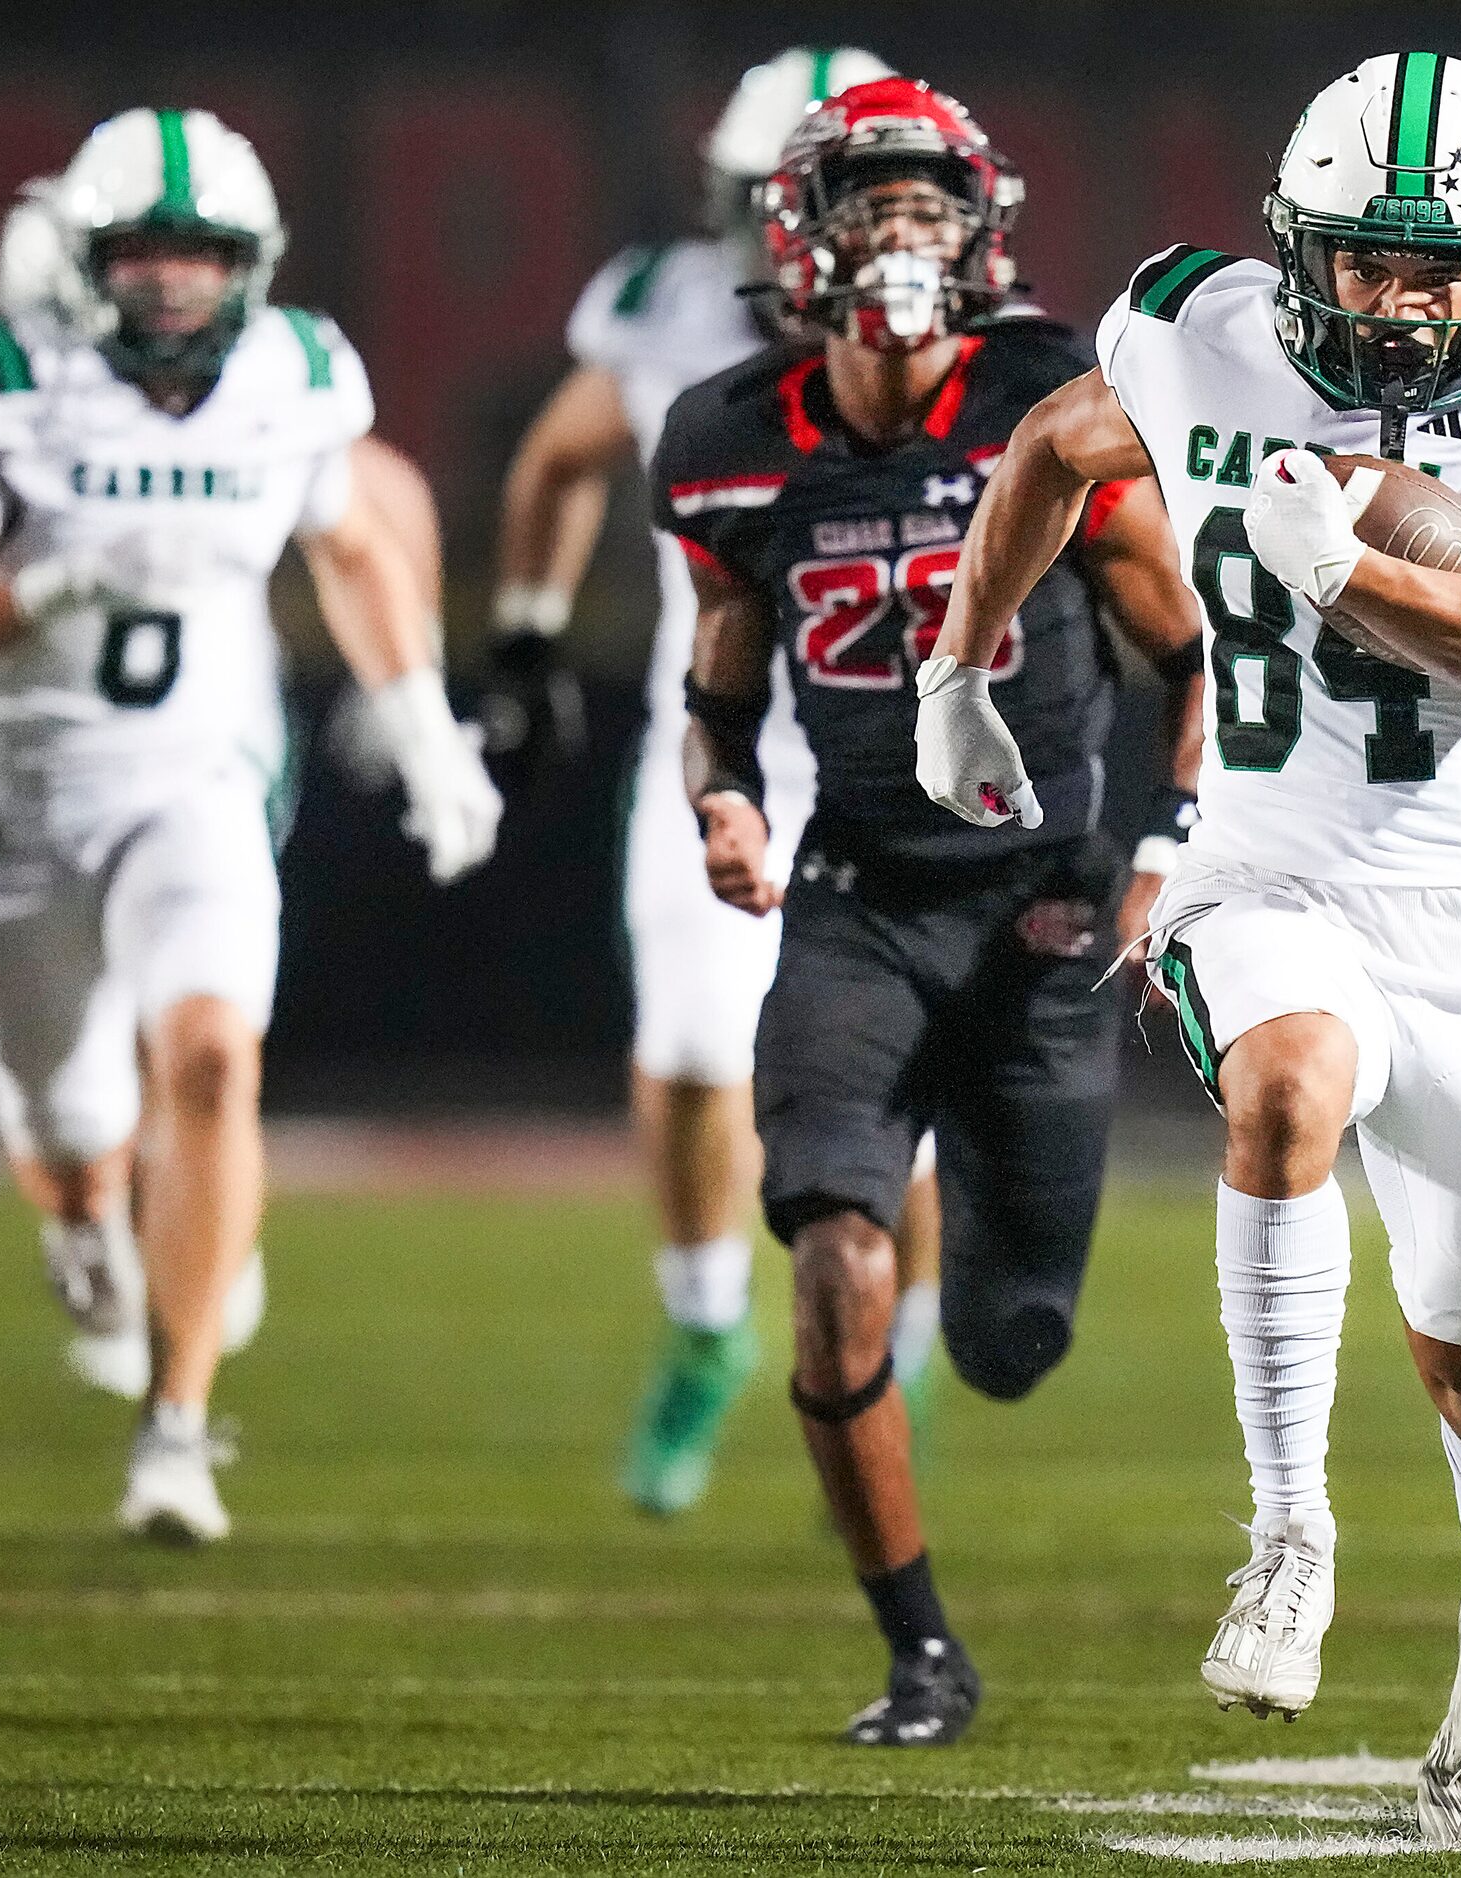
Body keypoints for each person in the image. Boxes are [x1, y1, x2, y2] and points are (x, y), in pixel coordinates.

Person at [925, 54, 1461, 1846]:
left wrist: (1358, 574)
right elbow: (1048, 443)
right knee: (1284, 1086)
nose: (1401, 300)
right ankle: (1289, 1535)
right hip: (1265, 875)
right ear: (1298, 247)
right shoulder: (1198, 333)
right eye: (1365, 260)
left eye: (1438, 269)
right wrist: (965, 660)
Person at [0, 107, 503, 1543]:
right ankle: (89, 1222)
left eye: (199, 253)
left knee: (209, 1058)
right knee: (75, 1138)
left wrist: (418, 727)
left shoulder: (293, 374)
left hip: (198, 779)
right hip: (23, 803)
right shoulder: (6, 376)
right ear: (84, 261)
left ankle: (176, 1428)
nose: (169, 282)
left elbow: (352, 539)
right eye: (141, 252)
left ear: (251, 263)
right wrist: (51, 587)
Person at [658, 77, 1202, 1747]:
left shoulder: (1051, 395)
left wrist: (1173, 831)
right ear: (795, 234)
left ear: (983, 229)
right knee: (832, 1251)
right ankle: (918, 1648)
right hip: (860, 898)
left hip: (1042, 907)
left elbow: (1185, 651)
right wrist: (720, 794)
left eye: (926, 204)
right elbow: (720, 687)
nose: (898, 235)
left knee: (1011, 1335)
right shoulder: (730, 438)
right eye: (865, 204)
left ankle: (988, 1310)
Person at [488, 46, 950, 1516]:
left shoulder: (970, 334)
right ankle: (703, 1327)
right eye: (776, 194)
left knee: (903, 1095)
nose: (791, 223)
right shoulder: (666, 309)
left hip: (901, 750)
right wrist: (526, 624)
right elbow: (562, 456)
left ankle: (900, 1363)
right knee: (692, 1057)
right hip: (720, 735)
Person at [0, 178, 448, 1397]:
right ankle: (103, 1206)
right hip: (33, 770)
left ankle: (181, 1237)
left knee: (197, 1028)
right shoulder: (0, 405)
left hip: (210, 741)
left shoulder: (252, 386)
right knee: (78, 1078)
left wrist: (414, 699)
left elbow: (375, 502)